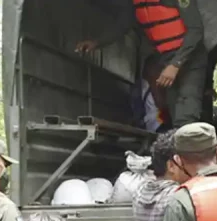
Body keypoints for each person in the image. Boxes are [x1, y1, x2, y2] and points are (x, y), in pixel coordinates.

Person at [75, 0, 207, 128]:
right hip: (166, 59)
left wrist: (175, 64)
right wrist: (97, 42)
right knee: (174, 110)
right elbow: (122, 26)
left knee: (187, 110)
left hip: (191, 58)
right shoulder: (135, 4)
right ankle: (182, 144)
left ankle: (189, 147)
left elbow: (196, 30)